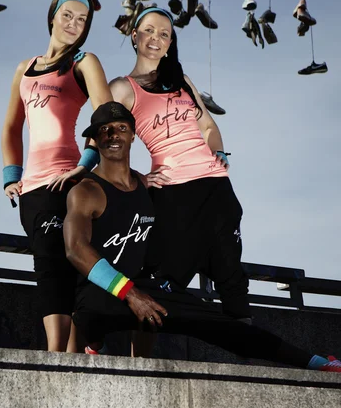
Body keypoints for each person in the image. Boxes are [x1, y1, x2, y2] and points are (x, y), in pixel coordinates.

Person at [63, 101, 341, 373]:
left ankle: (316, 363)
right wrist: (131, 294)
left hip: (142, 288)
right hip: (102, 293)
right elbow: (75, 249)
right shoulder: (86, 191)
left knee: (221, 325)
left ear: (134, 134)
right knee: (87, 315)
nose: (113, 135)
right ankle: (95, 347)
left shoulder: (145, 185)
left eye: (121, 127)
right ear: (94, 139)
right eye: (104, 130)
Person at [109, 6, 250, 321]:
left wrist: (219, 155)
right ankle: (121, 349)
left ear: (171, 42)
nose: (156, 39)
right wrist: (137, 178)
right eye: (149, 30)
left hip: (216, 189)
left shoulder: (181, 80)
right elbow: (106, 142)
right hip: (173, 191)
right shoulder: (122, 88)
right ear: (134, 35)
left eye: (164, 34)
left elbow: (209, 127)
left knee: (231, 274)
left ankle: (249, 358)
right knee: (161, 280)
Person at [1, 0, 112, 353]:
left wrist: (84, 167)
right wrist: (10, 176)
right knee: (46, 266)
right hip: (32, 188)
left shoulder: (84, 62)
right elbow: (11, 128)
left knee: (72, 264)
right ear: (53, 16)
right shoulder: (26, 68)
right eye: (68, 15)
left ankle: (70, 354)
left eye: (82, 20)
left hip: (69, 181)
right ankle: (57, 357)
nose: (73, 24)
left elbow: (109, 120)